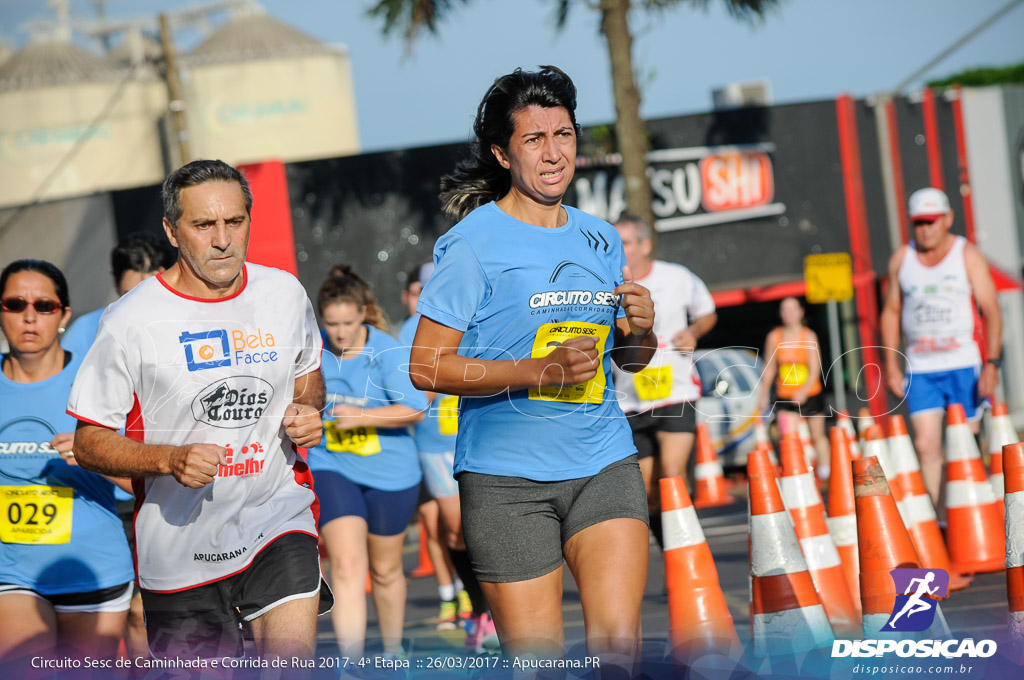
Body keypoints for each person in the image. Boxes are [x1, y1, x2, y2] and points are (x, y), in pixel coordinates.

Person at [408, 66, 656, 671]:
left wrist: (644, 330)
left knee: (618, 653)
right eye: (534, 139)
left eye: (564, 135)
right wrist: (535, 371)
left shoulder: (601, 237)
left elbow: (628, 361)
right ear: (502, 152)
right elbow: (425, 367)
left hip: (603, 462)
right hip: (505, 482)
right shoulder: (472, 242)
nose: (553, 154)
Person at [67, 159, 331, 663]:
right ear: (172, 230)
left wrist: (307, 408)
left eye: (235, 221)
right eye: (204, 224)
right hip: (180, 548)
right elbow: (89, 441)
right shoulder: (130, 319)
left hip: (277, 519)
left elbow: (308, 374)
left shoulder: (283, 294)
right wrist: (169, 460)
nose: (223, 239)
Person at [0, 260, 133, 665]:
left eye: (44, 305)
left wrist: (96, 457)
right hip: (13, 571)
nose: (29, 316)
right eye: (14, 303)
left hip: (94, 566)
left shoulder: (98, 381)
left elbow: (141, 482)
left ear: (64, 316)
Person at [60, 233, 176, 661]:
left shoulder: (185, 325)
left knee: (148, 612)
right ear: (114, 285)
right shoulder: (86, 332)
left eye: (150, 287)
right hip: (100, 494)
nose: (140, 301)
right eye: (130, 292)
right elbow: (63, 404)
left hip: (164, 485)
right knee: (122, 612)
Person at [308, 266, 427, 660]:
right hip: (333, 464)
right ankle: (353, 663)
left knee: (386, 570)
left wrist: (362, 416)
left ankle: (392, 654)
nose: (339, 332)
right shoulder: (314, 352)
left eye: (347, 322)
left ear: (363, 313)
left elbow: (415, 408)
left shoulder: (387, 353)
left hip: (391, 472)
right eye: (331, 324)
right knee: (345, 564)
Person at [881, 187, 1002, 506]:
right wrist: (892, 364)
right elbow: (891, 311)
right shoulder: (902, 258)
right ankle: (942, 516)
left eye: (931, 221)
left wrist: (992, 363)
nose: (925, 229)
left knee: (966, 442)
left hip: (964, 363)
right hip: (921, 367)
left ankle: (975, 507)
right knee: (925, 443)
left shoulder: (967, 254)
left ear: (947, 219)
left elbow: (991, 308)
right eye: (918, 223)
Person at [397, 263, 493, 652]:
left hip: (482, 435)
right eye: (422, 286)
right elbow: (411, 393)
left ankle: (494, 607)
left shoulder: (476, 317)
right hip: (435, 445)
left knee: (487, 527)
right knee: (454, 529)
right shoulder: (409, 332)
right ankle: (480, 609)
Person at [612, 214, 716, 547]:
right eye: (615, 243)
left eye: (626, 242)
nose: (620, 249)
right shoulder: (607, 286)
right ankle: (674, 552)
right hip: (630, 399)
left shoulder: (677, 277)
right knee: (647, 490)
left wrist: (693, 331)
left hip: (675, 392)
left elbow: (707, 311)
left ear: (645, 244)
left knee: (672, 473)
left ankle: (690, 551)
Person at [758, 297, 830, 478]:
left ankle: (825, 471)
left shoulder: (809, 336)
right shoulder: (774, 337)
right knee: (788, 437)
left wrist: (804, 391)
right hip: (785, 395)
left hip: (810, 393)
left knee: (817, 436)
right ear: (780, 314)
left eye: (793, 309)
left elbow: (815, 368)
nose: (789, 314)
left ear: (801, 312)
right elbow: (769, 368)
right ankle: (795, 472)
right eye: (785, 310)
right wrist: (763, 394)